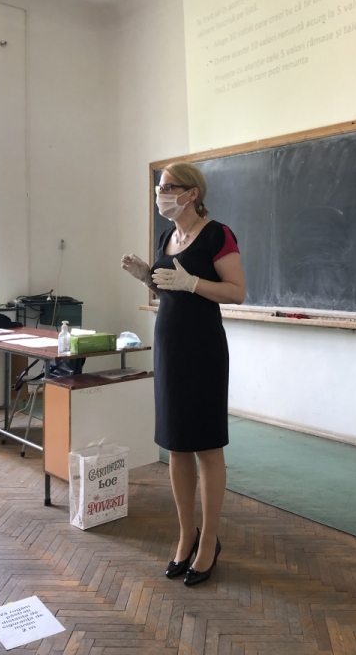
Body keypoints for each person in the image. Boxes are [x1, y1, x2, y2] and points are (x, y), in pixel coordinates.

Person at [121, 162, 245, 587]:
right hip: (170, 348)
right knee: (175, 445)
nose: (160, 194)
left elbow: (237, 292)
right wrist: (148, 278)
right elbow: (168, 290)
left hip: (203, 349)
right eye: (160, 187)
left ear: (191, 193)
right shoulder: (167, 237)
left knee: (206, 446)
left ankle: (209, 540)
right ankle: (185, 534)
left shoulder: (217, 234)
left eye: (167, 187)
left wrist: (192, 283)